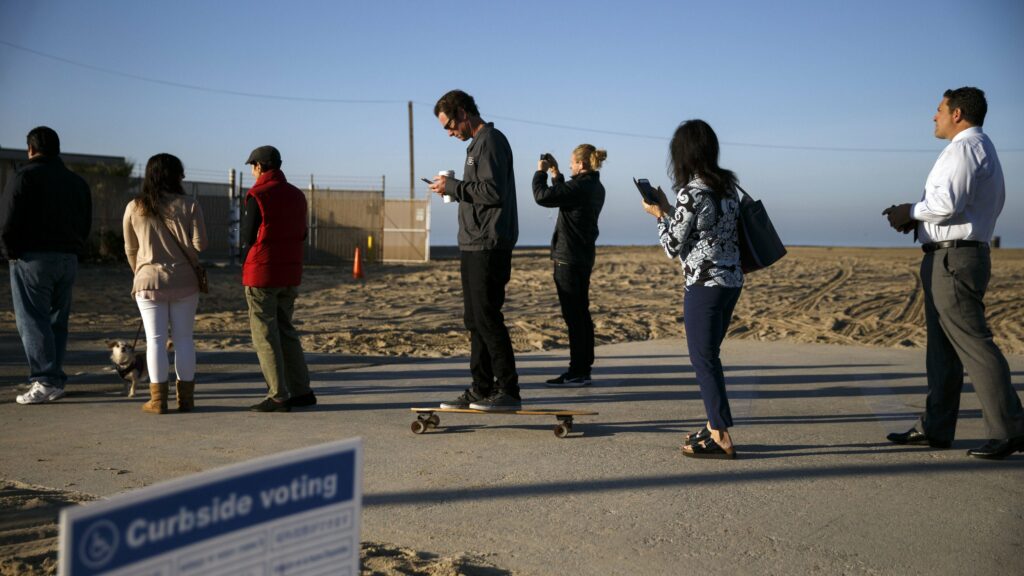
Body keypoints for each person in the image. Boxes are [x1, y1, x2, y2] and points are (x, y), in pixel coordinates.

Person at [882, 87, 1024, 459]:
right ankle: (936, 428)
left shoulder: (964, 148)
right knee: (942, 351)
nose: (934, 116)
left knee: (974, 344)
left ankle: (1011, 430)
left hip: (954, 260)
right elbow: (962, 209)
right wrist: (918, 224)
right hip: (952, 254)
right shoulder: (979, 147)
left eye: (939, 109)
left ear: (957, 113)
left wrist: (910, 211)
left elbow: (947, 204)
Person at [641, 120, 743, 459]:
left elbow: (672, 245)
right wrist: (670, 210)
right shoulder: (728, 187)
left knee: (702, 358)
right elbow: (704, 228)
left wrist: (658, 214)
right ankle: (715, 424)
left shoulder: (691, 192)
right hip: (731, 281)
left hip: (704, 284)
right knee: (709, 356)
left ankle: (719, 433)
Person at [428, 89, 521, 411]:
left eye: (449, 126)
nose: (450, 132)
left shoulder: (492, 140)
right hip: (472, 242)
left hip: (489, 242)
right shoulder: (475, 146)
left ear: (463, 113)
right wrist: (452, 190)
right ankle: (480, 387)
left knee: (487, 316)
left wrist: (452, 187)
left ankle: (508, 389)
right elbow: (480, 191)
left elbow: (493, 191)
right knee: (474, 319)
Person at [0, 126, 92, 405]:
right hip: (67, 257)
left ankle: (46, 379)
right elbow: (86, 220)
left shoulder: (23, 176)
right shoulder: (76, 182)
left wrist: (9, 252)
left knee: (32, 319)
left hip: (33, 257)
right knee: (56, 320)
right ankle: (53, 376)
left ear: (30, 149)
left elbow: (8, 218)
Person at [122, 153, 207, 414]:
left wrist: (142, 271)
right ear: (176, 176)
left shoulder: (134, 207)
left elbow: (130, 248)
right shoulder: (190, 204)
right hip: (185, 280)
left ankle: (158, 401)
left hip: (147, 281)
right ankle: (187, 400)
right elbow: (201, 245)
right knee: (184, 340)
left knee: (155, 341)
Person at [241, 145, 315, 413]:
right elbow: (303, 233)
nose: (251, 171)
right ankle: (302, 390)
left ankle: (278, 395)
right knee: (286, 330)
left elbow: (248, 237)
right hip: (290, 272)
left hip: (262, 272)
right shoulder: (297, 195)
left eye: (252, 166)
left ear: (259, 166)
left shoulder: (257, 194)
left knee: (265, 334)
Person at [532, 145, 607, 387]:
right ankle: (582, 368)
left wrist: (541, 173)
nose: (570, 166)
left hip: (569, 258)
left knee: (574, 316)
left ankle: (578, 370)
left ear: (582, 165)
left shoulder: (581, 186)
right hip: (582, 256)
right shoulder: (593, 186)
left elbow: (543, 197)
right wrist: (556, 174)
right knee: (581, 314)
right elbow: (564, 194)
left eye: (572, 163)